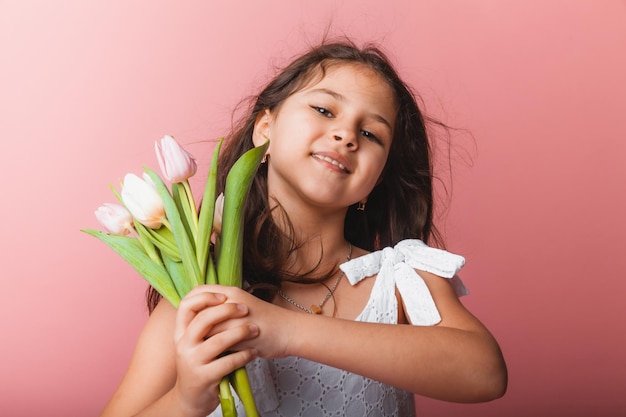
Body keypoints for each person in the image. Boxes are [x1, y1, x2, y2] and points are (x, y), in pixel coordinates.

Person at [100, 39, 507, 417]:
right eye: (325, 110)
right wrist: (185, 400)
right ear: (265, 129)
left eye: (370, 133)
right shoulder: (201, 294)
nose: (346, 135)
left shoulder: (398, 279)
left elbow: (485, 373)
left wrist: (286, 330)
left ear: (378, 178)